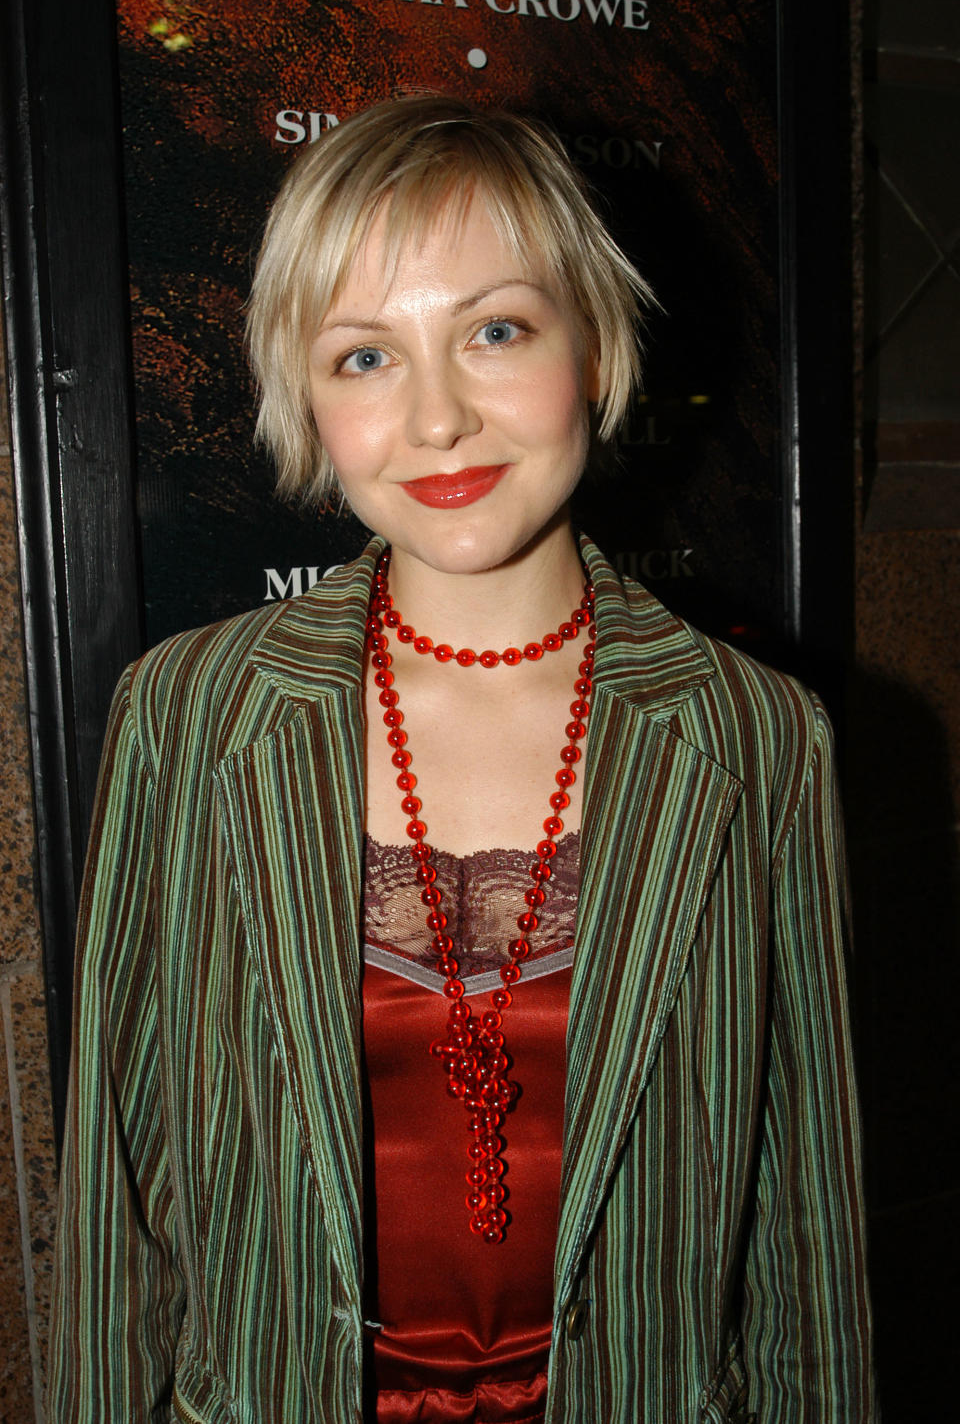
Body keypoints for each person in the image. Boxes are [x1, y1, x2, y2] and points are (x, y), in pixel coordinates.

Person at [47, 95, 876, 1423]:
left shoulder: (756, 735)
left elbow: (806, 1218)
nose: (437, 419)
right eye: (365, 357)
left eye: (495, 330)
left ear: (596, 351)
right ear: (305, 402)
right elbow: (114, 1183)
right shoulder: (190, 713)